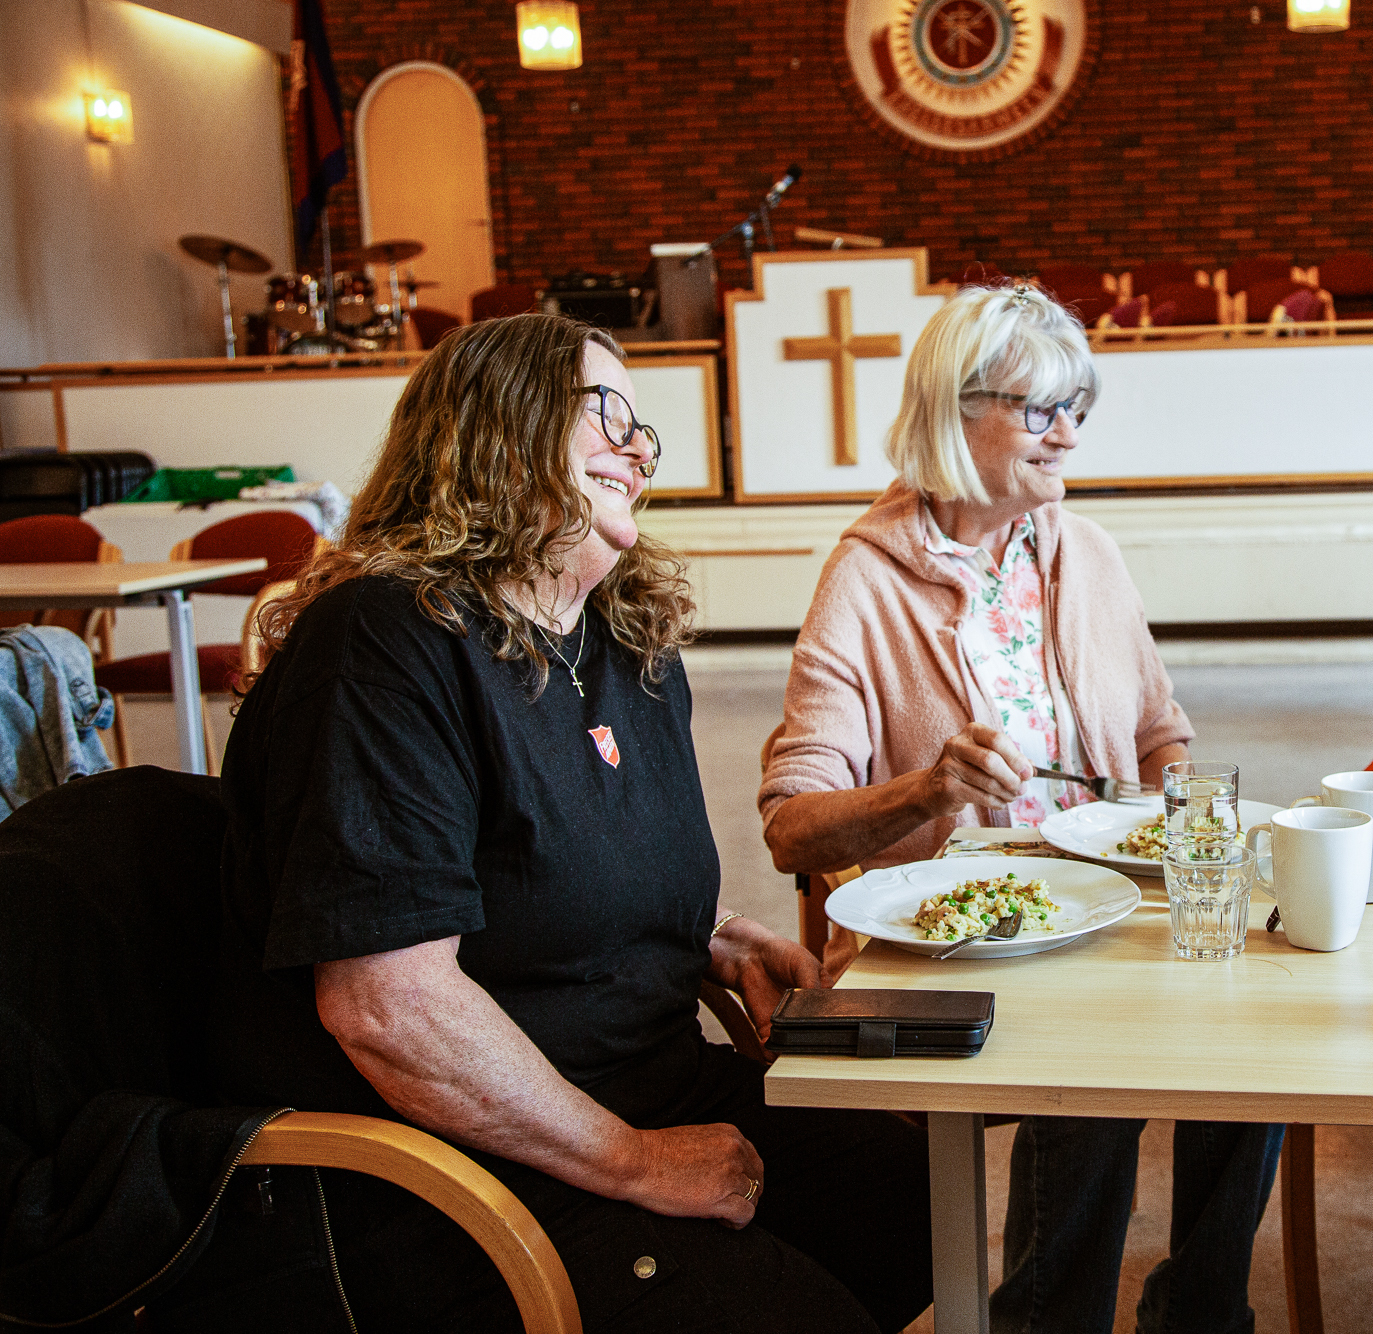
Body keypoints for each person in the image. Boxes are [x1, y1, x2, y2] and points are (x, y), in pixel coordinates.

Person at [188, 315, 930, 1334]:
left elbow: (553, 860)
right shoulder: (385, 642)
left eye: (642, 430)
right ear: (498, 426)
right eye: (606, 413)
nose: (639, 449)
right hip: (455, 1160)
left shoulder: (623, 644)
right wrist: (634, 1161)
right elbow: (386, 1008)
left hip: (641, 1080)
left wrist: (709, 936)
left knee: (919, 1199)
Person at [760, 281, 1283, 1334]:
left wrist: (1180, 816)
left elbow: (1160, 730)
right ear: (956, 413)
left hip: (1117, 905)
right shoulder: (865, 579)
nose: (1069, 435)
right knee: (1095, 1065)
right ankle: (1047, 1322)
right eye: (1042, 409)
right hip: (962, 943)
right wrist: (930, 787)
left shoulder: (1084, 550)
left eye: (1076, 409)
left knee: (1259, 1024)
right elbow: (790, 824)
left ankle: (1200, 1308)